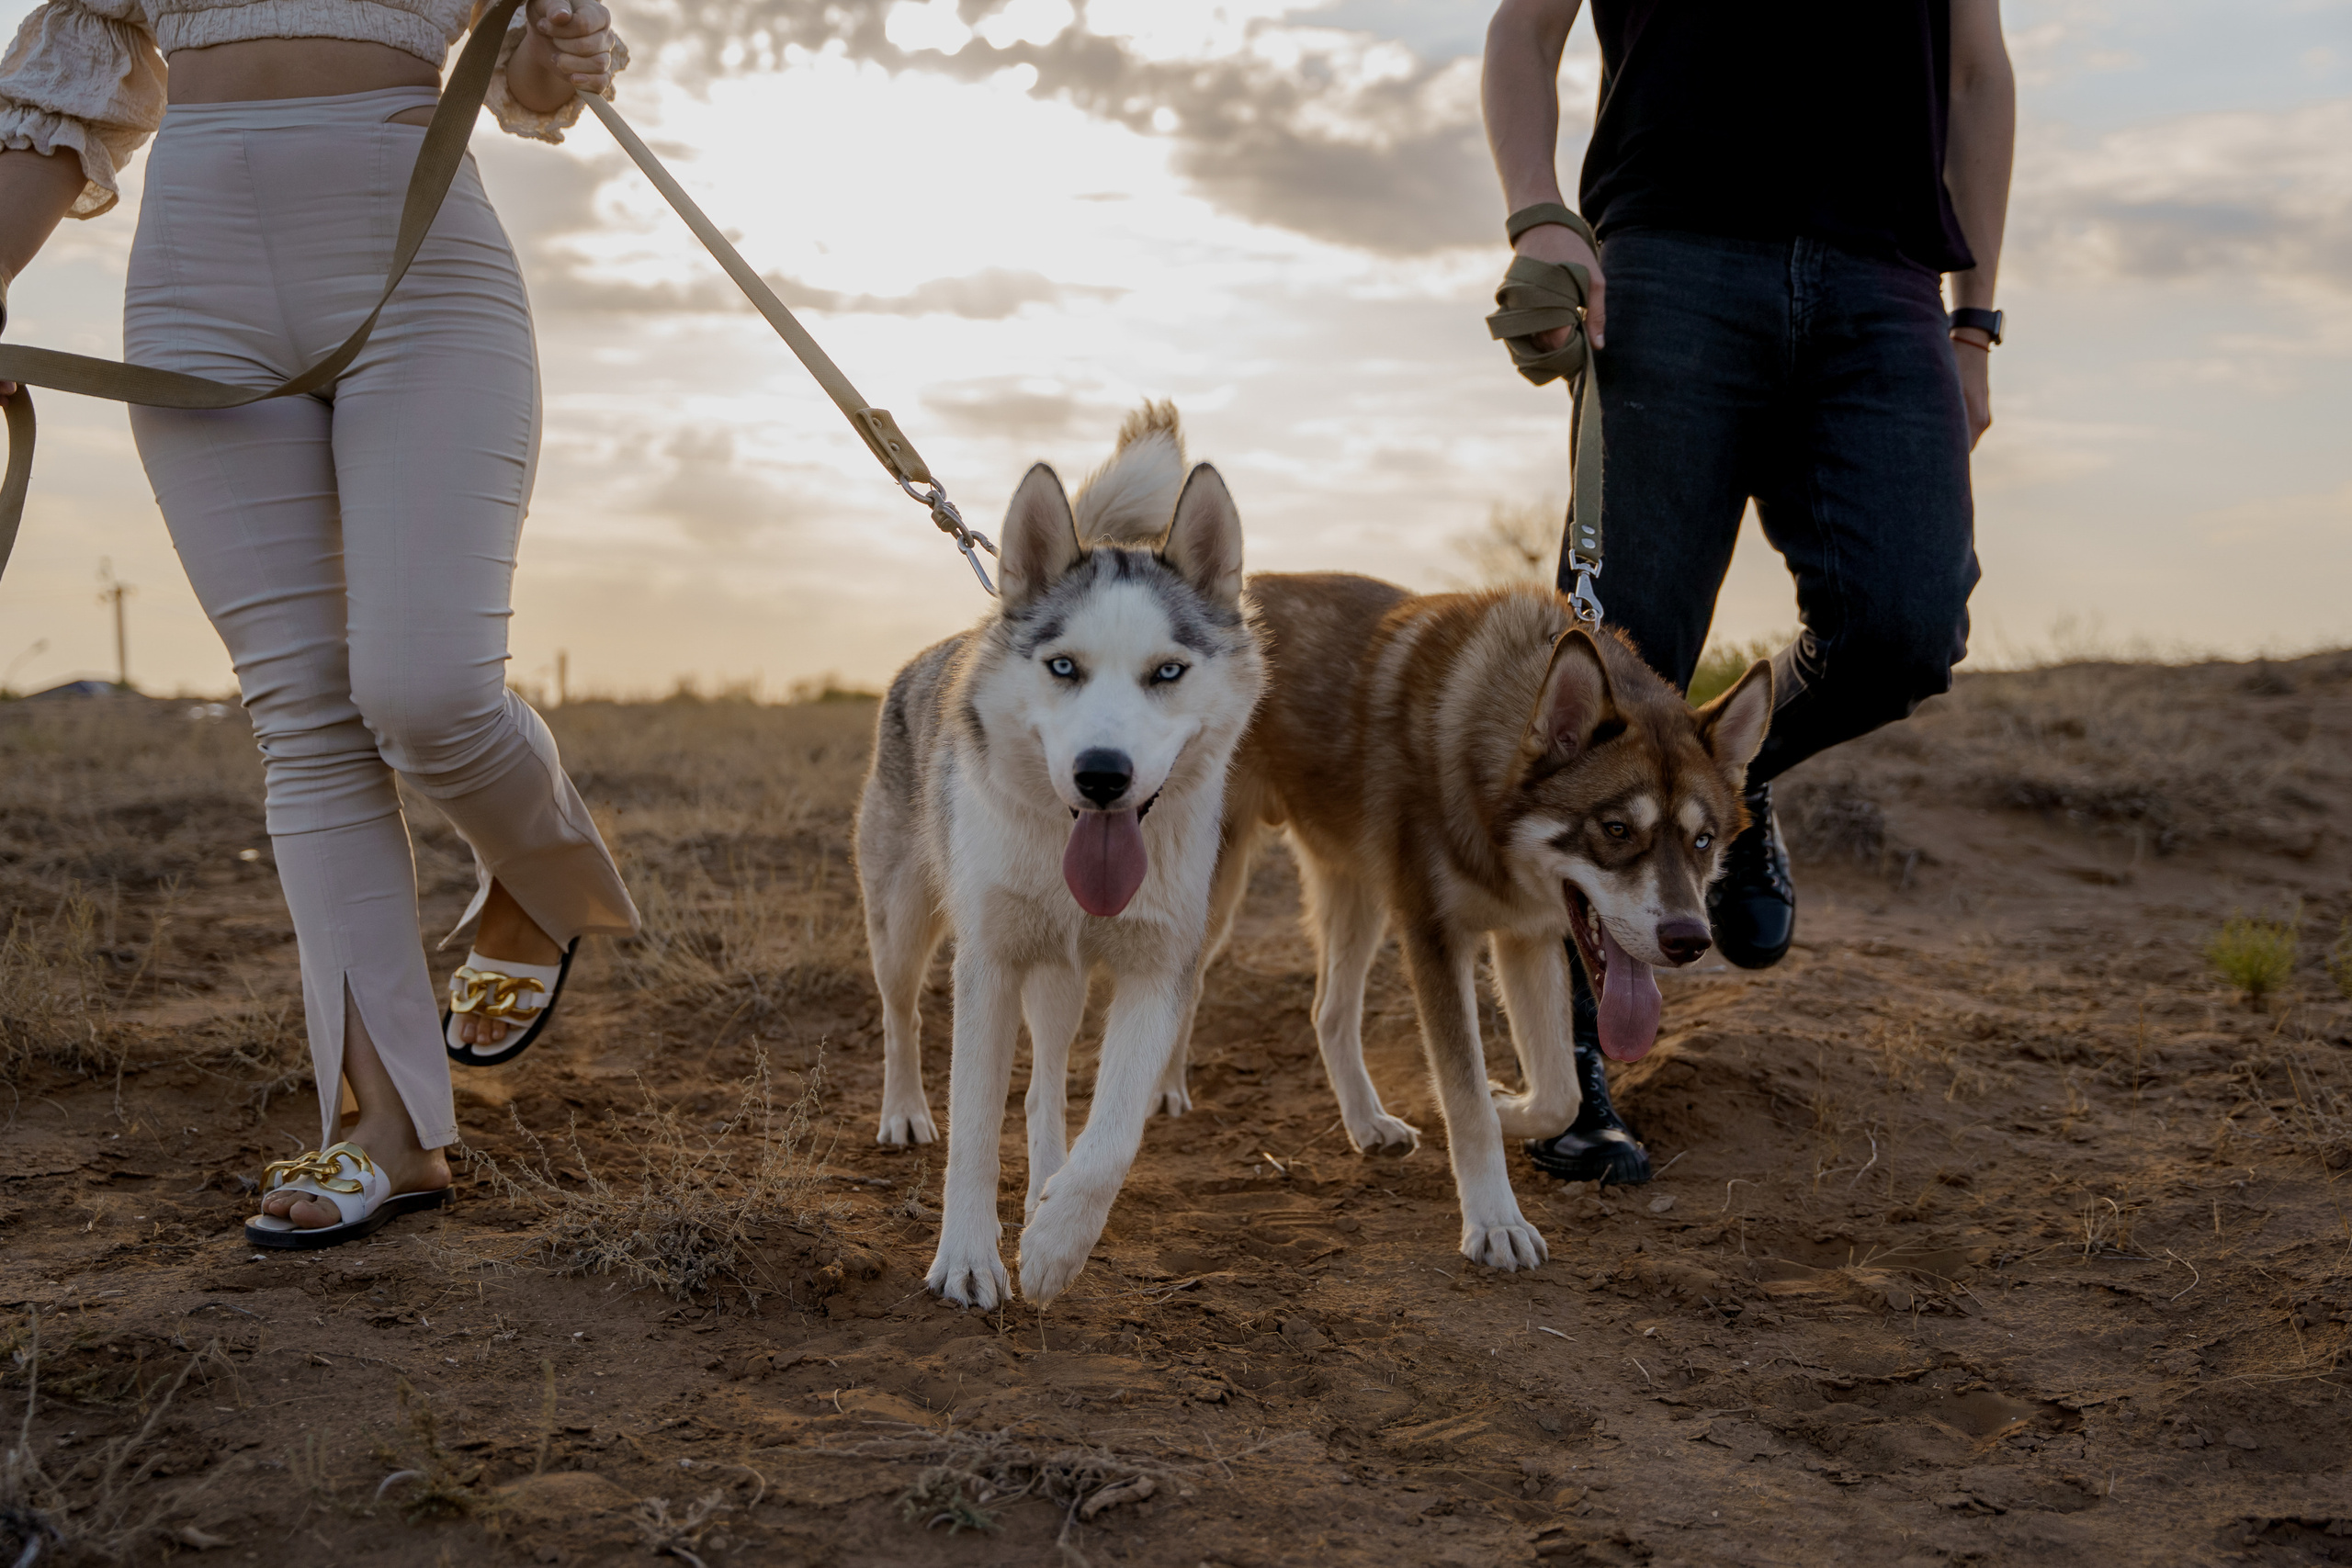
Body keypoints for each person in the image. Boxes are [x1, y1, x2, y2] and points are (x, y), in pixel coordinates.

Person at [0, 0, 642, 1243]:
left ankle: (542, 879)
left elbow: (530, 82)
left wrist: (554, 55)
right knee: (303, 715)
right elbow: (67, 86)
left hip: (421, 260)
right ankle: (390, 1127)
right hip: (195, 283)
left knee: (428, 690)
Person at [1482, 0, 2013, 1184]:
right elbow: (1524, 28)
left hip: (1885, 280)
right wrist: (1538, 212)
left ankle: (1731, 781)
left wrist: (1974, 327)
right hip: (1670, 257)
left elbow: (1976, 74)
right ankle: (1574, 1075)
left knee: (1906, 626)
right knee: (1616, 670)